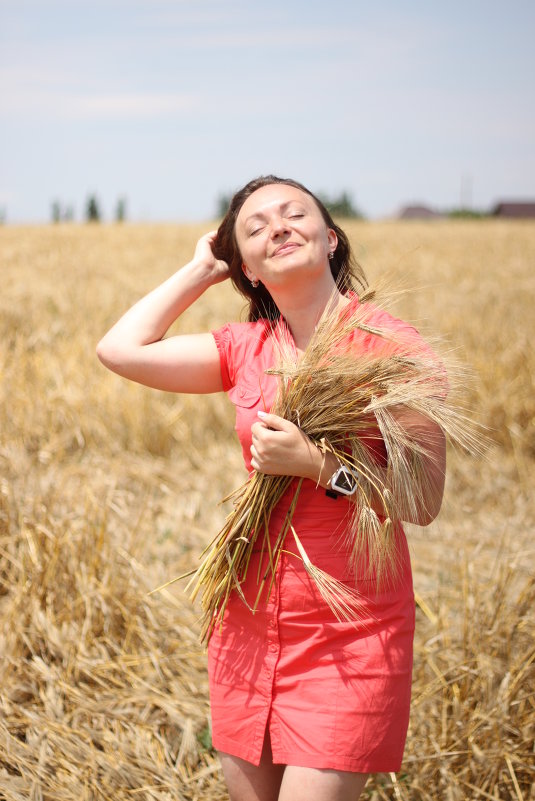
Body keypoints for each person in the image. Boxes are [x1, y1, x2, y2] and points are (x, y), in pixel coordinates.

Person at [96, 175, 446, 801]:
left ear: (331, 238)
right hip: (248, 620)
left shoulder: (395, 351)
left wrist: (317, 465)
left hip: (350, 627)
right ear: (249, 270)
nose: (276, 227)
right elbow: (119, 349)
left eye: (293, 214)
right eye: (253, 228)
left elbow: (422, 502)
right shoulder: (244, 347)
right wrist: (201, 270)